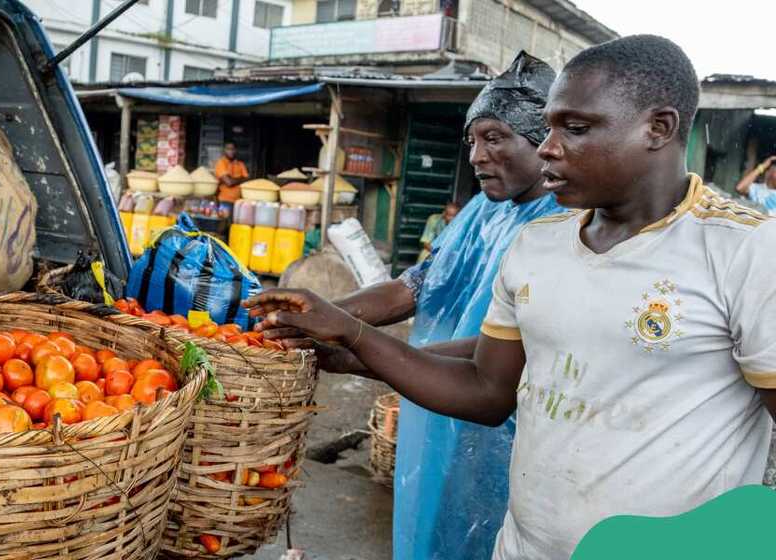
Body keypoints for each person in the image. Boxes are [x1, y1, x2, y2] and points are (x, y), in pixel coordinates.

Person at [247, 35, 776, 560]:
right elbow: (485, 387)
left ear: (658, 128)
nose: (548, 146)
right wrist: (355, 341)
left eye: (575, 128)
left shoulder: (745, 249)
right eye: (547, 127)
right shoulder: (539, 243)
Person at [335, 51, 564, 560]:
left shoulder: (565, 222)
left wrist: (362, 350)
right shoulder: (483, 210)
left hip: (504, 422)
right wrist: (323, 315)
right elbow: (414, 286)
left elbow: (508, 351)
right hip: (435, 397)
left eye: (494, 138)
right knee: (432, 521)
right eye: (472, 140)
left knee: (488, 532)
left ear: (540, 140)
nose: (477, 156)